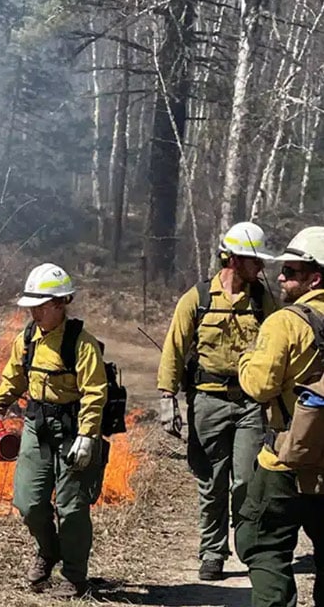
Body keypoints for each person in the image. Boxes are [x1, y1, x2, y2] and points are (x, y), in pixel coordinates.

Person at [0, 262, 107, 599]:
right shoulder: (27, 340)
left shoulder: (81, 343)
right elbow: (13, 378)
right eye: (31, 305)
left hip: (73, 428)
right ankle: (48, 552)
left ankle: (75, 577)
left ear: (59, 304)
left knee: (72, 507)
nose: (33, 312)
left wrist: (87, 436)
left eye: (40, 305)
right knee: (29, 502)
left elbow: (95, 391)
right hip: (36, 426)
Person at [156, 221, 276, 581]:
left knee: (246, 480)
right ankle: (212, 552)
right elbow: (175, 347)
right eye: (255, 261)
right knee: (212, 482)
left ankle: (249, 548)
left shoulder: (262, 300)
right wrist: (167, 396)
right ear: (235, 260)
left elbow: (278, 345)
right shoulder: (198, 298)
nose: (262, 268)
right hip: (208, 402)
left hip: (250, 403)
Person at [236, 226, 324, 607]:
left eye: (290, 271)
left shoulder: (284, 322)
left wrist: (244, 359)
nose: (282, 278)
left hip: (285, 462)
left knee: (263, 545)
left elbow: (258, 386)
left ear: (315, 278)